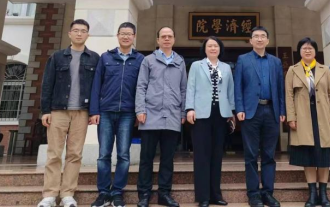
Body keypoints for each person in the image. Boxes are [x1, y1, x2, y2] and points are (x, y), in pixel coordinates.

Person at [38, 19, 100, 207]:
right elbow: (47, 84)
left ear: (88, 34)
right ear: (70, 34)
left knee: (75, 154)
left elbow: (97, 88)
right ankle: (49, 195)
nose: (79, 33)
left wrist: (94, 111)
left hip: (81, 112)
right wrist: (45, 111)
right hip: (58, 111)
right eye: (76, 30)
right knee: (54, 154)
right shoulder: (57, 57)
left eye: (83, 31)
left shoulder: (94, 58)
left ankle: (67, 194)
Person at [89, 22, 145, 207]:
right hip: (105, 111)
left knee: (123, 155)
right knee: (103, 154)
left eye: (129, 34)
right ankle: (103, 193)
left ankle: (117, 192)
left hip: (127, 113)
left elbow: (142, 87)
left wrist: (139, 111)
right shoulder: (106, 57)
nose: (126, 36)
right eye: (123, 33)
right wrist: (94, 111)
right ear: (118, 35)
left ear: (134, 36)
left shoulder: (140, 59)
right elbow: (96, 85)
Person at [286, 37, 330, 207]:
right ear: (299, 51)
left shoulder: (325, 70)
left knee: (324, 155)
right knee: (307, 155)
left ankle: (323, 194)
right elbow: (288, 95)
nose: (307, 50)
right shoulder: (293, 70)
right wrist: (291, 117)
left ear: (315, 51)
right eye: (304, 48)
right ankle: (312, 194)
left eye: (310, 48)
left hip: (324, 116)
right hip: (303, 118)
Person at [234, 26, 286, 207]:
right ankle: (254, 194)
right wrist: (239, 108)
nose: (259, 39)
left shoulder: (275, 62)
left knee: (269, 155)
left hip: (271, 111)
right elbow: (238, 86)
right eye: (255, 36)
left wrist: (282, 110)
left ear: (268, 40)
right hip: (251, 112)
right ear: (250, 40)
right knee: (250, 155)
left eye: (263, 36)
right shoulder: (243, 60)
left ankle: (268, 193)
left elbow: (280, 88)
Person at [135, 27, 187, 207]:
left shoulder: (180, 61)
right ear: (157, 40)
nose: (166, 39)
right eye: (163, 36)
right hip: (150, 114)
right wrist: (140, 109)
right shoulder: (148, 60)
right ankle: (144, 194)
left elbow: (183, 89)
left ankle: (164, 193)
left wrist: (183, 112)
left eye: (169, 36)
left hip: (172, 115)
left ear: (174, 39)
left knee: (167, 159)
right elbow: (141, 86)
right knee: (146, 158)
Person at [186, 36, 236, 207]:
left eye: (216, 46)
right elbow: (190, 87)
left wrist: (231, 112)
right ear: (205, 49)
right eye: (210, 46)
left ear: (220, 49)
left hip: (221, 115)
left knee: (217, 155)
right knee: (202, 156)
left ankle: (216, 195)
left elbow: (230, 91)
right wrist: (189, 108)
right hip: (201, 114)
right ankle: (203, 197)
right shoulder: (196, 65)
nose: (213, 48)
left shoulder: (226, 67)